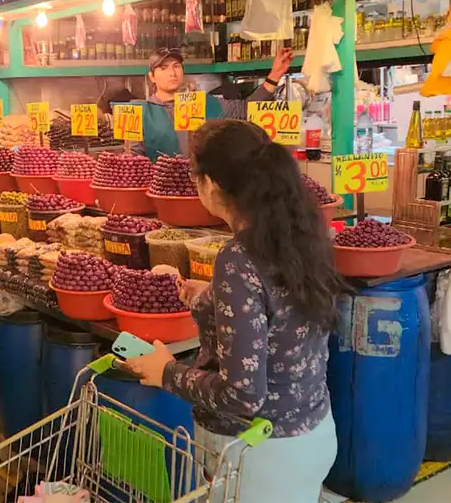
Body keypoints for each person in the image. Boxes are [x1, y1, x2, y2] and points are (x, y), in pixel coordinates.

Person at [126, 120, 344, 503]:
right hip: (313, 433)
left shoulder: (238, 258)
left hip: (259, 454)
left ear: (211, 184)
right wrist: (212, 297)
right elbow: (280, 310)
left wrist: (166, 372)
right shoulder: (303, 234)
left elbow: (242, 395)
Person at [129, 47, 294, 161]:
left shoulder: (206, 102)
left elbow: (246, 109)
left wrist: (274, 75)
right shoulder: (141, 112)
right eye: (163, 68)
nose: (172, 73)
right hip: (161, 193)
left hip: (205, 193)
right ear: (152, 77)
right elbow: (134, 159)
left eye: (176, 66)